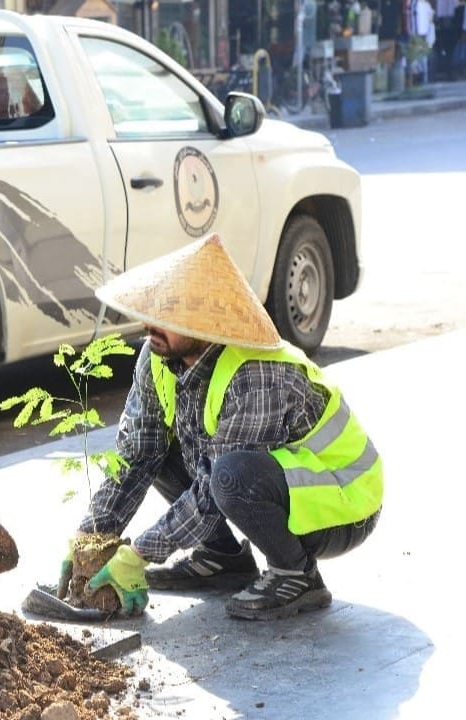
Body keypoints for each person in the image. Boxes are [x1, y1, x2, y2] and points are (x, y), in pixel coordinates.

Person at [29, 235, 382, 622]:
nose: (149, 325)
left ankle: (296, 574)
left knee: (231, 476)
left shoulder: (256, 374)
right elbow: (136, 456)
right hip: (278, 485)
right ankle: (223, 559)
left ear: (202, 323)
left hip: (343, 504)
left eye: (166, 317)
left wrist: (139, 554)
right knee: (158, 449)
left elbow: (214, 492)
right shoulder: (157, 356)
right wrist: (92, 535)